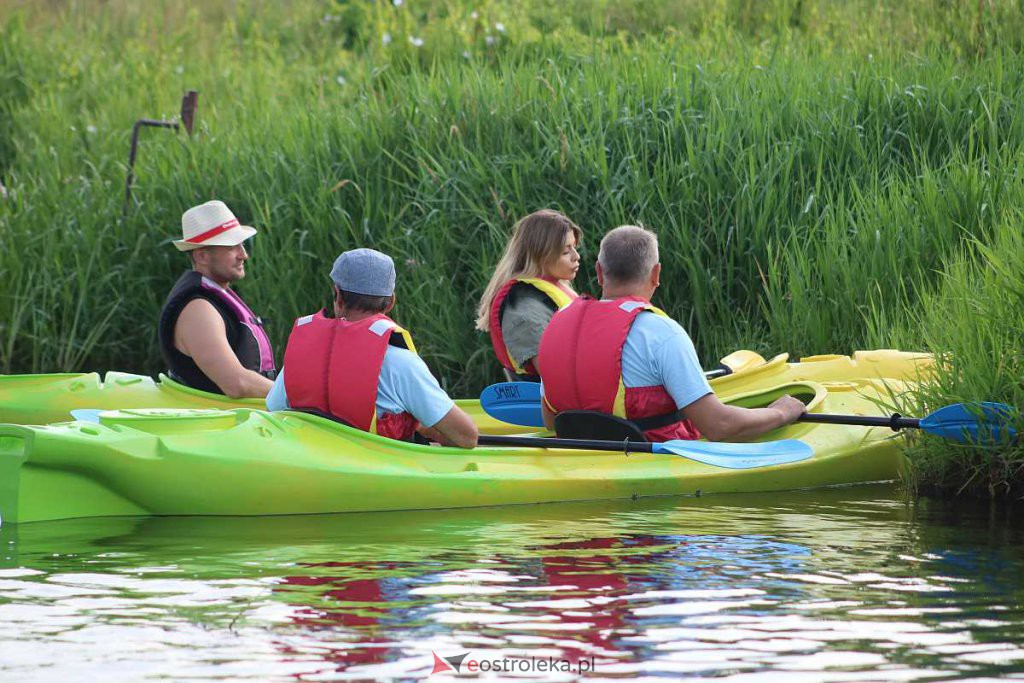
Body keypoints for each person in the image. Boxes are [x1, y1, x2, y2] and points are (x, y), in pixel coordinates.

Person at [537, 225, 805, 442]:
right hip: (646, 461)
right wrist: (780, 413)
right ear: (656, 273)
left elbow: (550, 421)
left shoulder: (557, 323)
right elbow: (719, 426)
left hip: (576, 457)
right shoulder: (661, 332)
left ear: (598, 272)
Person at [266, 248, 478, 449]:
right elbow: (467, 437)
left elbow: (273, 409)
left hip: (313, 469)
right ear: (390, 303)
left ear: (337, 295)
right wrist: (424, 426)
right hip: (382, 477)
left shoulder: (304, 355)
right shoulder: (401, 362)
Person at [158, 200, 276, 398]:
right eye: (232, 247)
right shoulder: (197, 310)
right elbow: (236, 384)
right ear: (202, 256)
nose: (244, 255)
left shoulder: (216, 295)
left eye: (242, 245)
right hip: (216, 423)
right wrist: (295, 397)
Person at [475, 209, 582, 381]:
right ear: (540, 256)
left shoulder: (548, 290)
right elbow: (555, 377)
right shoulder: (522, 308)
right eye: (565, 252)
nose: (576, 257)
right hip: (545, 404)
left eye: (574, 248)